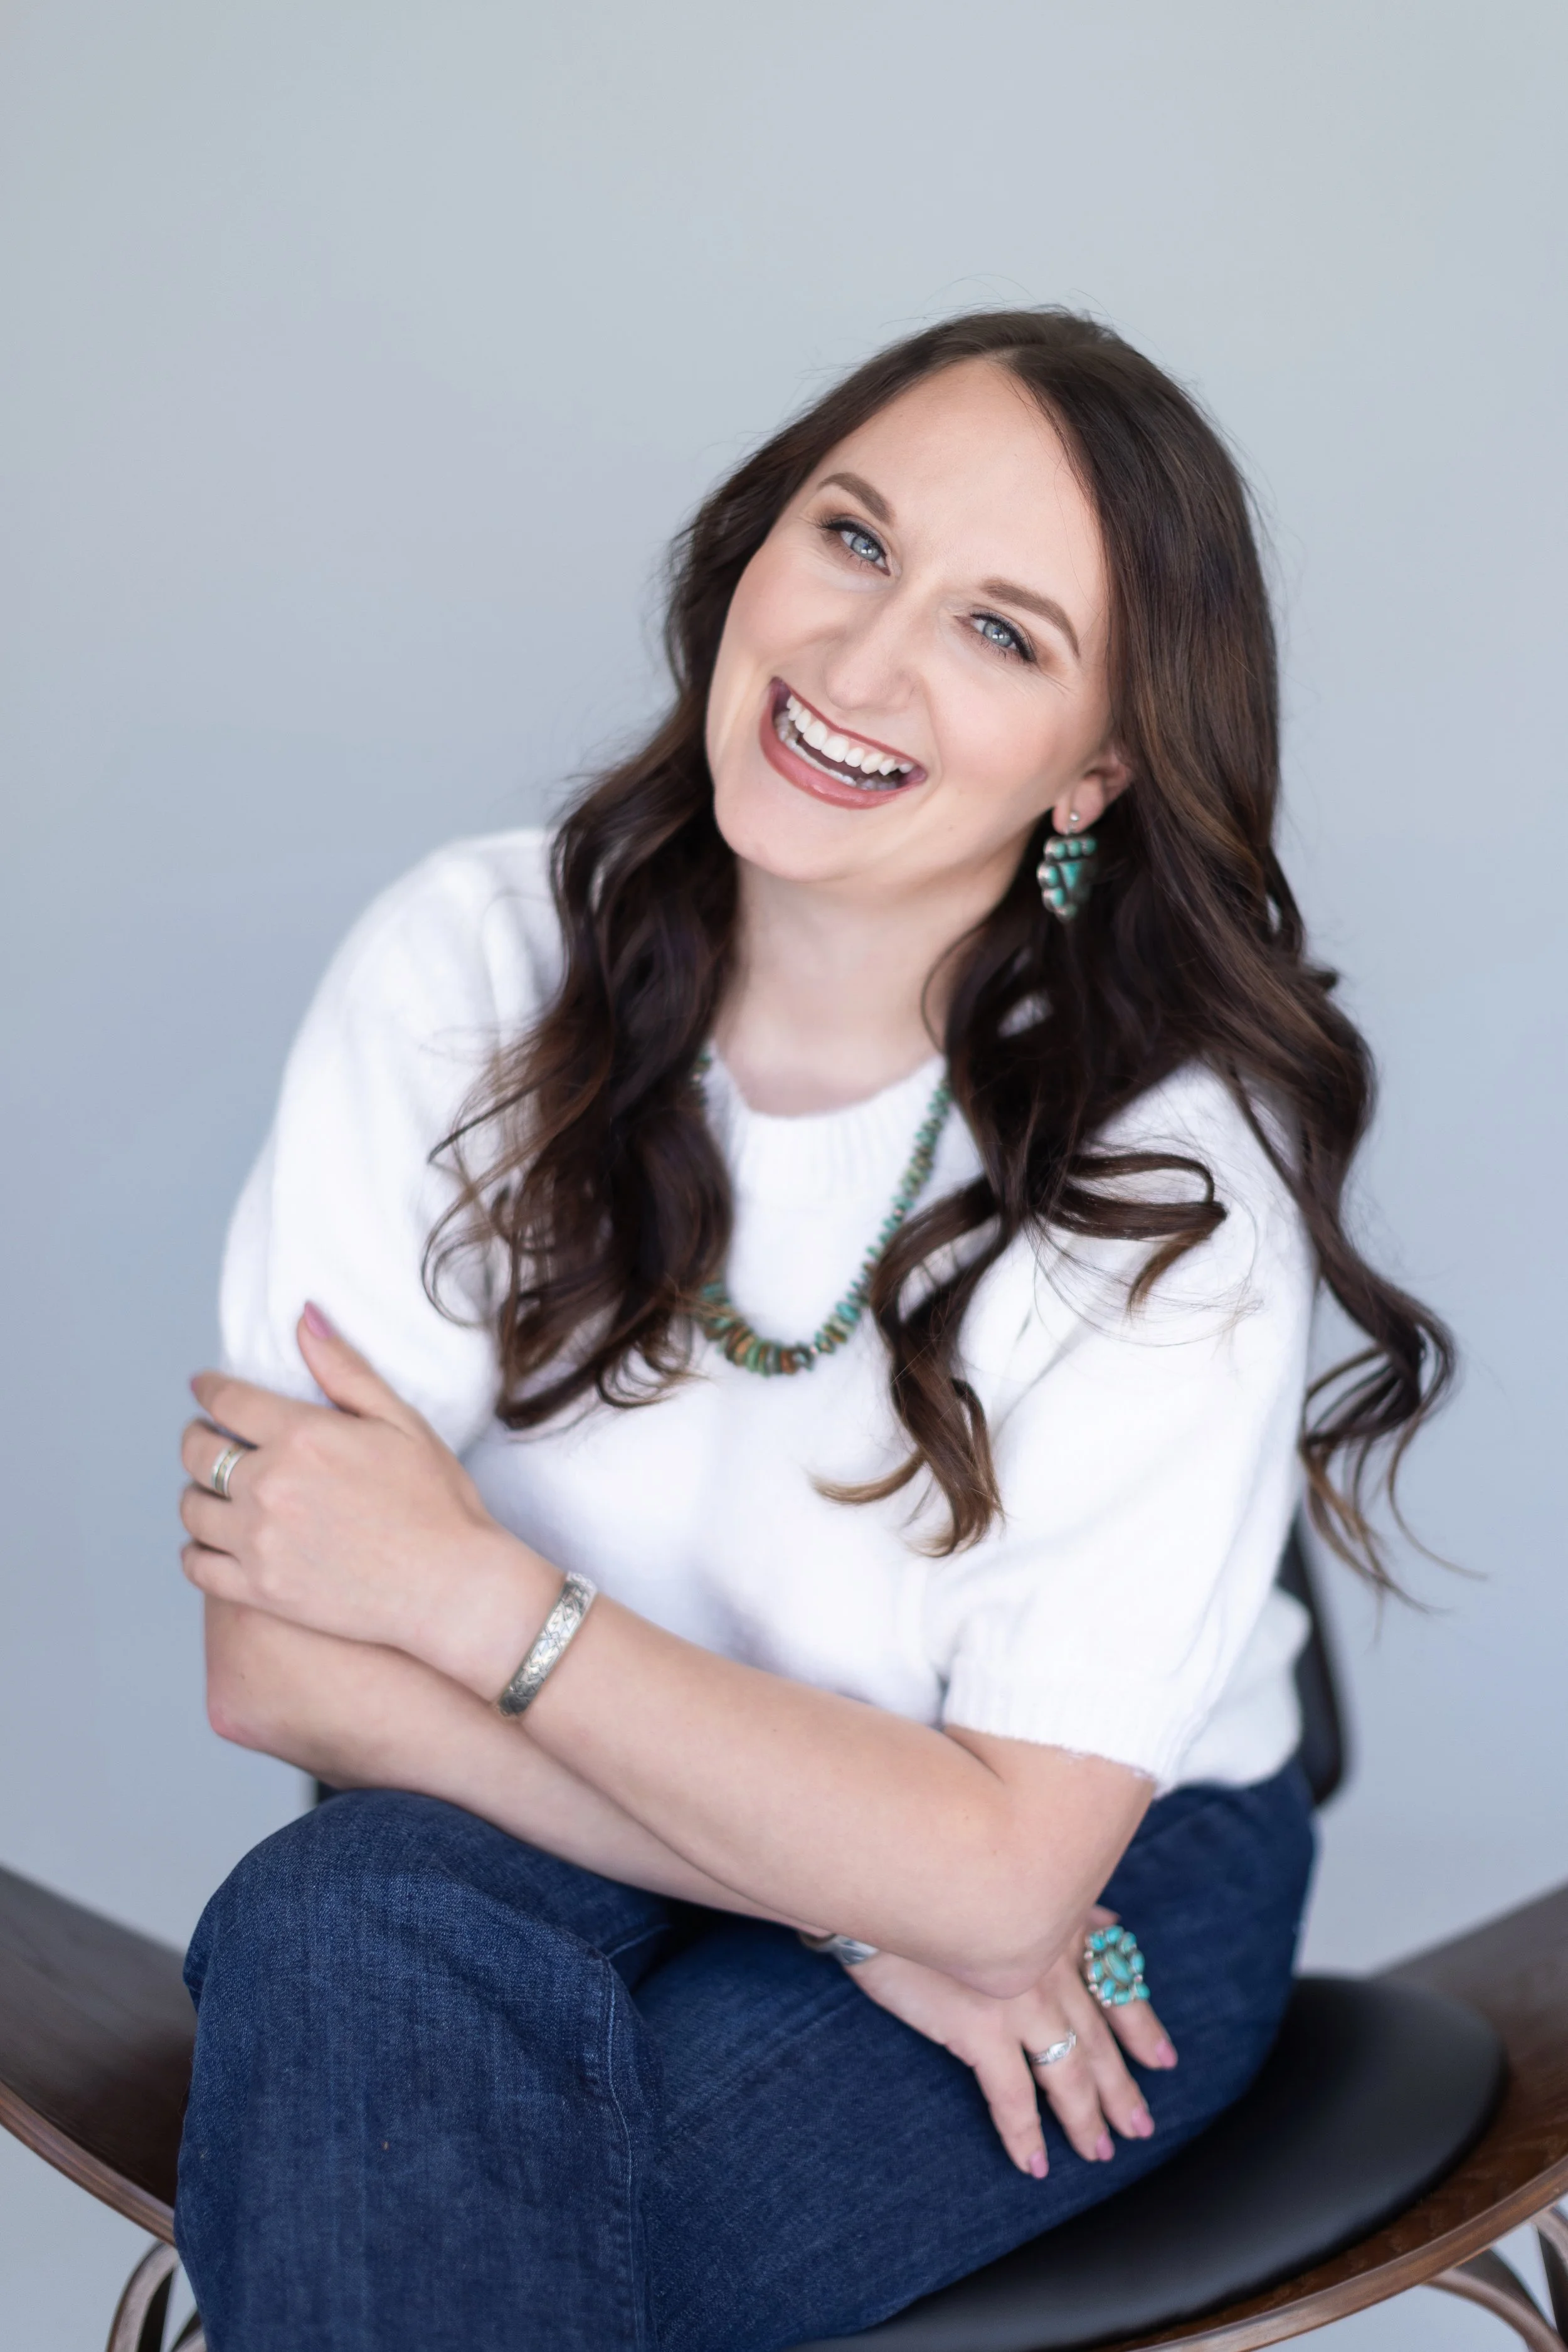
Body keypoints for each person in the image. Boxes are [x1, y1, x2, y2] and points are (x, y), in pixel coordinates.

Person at [171, 309, 1450, 2352]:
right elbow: (281, 1658)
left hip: (1100, 1889)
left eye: (1000, 634)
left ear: (1097, 770)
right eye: (853, 540)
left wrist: (474, 1599)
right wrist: (864, 1893)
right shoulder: (463, 965)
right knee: (345, 1938)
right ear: (759, 543)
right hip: (581, 1813)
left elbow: (1016, 1872)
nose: (859, 666)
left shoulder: (1165, 1182)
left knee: (483, 2199)